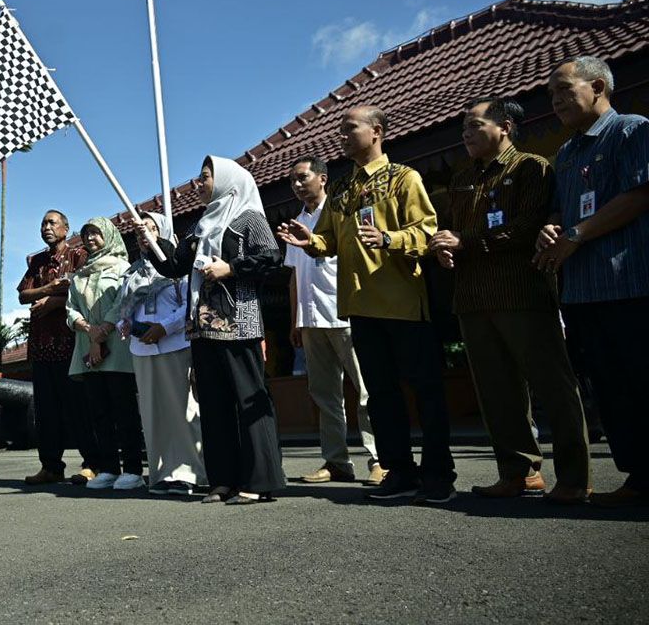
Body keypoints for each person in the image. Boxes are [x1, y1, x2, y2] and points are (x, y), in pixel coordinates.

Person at [278, 106, 456, 504]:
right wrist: (311, 242)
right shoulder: (342, 189)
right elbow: (329, 241)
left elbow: (426, 230)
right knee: (381, 393)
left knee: (425, 390)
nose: (341, 136)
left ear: (376, 132)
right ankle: (399, 471)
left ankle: (439, 474)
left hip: (403, 303)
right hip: (359, 307)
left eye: (349, 129)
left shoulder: (403, 178)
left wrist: (389, 239)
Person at [430, 98, 590, 503]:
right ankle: (518, 472)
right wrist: (445, 247)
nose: (465, 133)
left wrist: (464, 242)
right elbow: (451, 230)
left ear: (504, 126)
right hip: (472, 297)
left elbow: (527, 227)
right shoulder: (463, 177)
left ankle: (573, 478)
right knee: (496, 391)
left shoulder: (532, 167)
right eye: (463, 127)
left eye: (474, 125)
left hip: (522, 292)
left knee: (553, 386)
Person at [533, 57, 649, 508]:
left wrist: (577, 234)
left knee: (641, 380)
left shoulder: (632, 130)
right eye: (552, 94)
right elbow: (561, 212)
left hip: (630, 283)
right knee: (609, 387)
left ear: (598, 85)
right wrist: (552, 227)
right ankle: (638, 476)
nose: (557, 100)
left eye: (564, 89)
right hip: (582, 289)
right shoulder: (565, 153)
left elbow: (639, 195)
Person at [147, 156, 286, 505]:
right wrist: (151, 240)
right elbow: (173, 266)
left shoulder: (248, 216)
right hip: (202, 327)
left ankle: (259, 481)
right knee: (213, 404)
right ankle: (222, 480)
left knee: (248, 399)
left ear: (227, 181)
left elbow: (271, 257)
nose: (199, 183)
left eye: (205, 177)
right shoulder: (200, 225)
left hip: (239, 322)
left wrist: (231, 267)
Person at [284, 156, 383, 486]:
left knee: (367, 391)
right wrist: (295, 320)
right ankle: (336, 460)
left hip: (344, 315)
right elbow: (294, 277)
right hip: (311, 319)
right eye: (293, 181)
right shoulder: (297, 221)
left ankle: (379, 458)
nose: (298, 185)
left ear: (322, 179)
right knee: (325, 395)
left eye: (303, 178)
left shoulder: (341, 213)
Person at [116, 212, 206, 496]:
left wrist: (164, 328)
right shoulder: (132, 272)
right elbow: (123, 309)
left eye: (152, 229)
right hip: (141, 349)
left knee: (182, 410)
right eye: (141, 231)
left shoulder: (178, 268)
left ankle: (188, 472)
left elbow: (189, 305)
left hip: (174, 343)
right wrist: (125, 324)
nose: (146, 235)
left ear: (164, 232)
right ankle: (162, 473)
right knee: (153, 414)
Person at [17, 210, 96, 486]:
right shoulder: (37, 261)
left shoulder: (79, 256)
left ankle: (93, 464)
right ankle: (51, 466)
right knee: (46, 411)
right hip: (41, 346)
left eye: (52, 222)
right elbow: (23, 294)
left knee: (79, 407)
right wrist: (49, 288)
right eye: (43, 223)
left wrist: (54, 301)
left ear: (66, 228)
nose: (46, 227)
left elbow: (86, 290)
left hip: (71, 344)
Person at [66, 217, 145, 491]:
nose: (90, 238)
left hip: (116, 346)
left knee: (123, 409)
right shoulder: (79, 274)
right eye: (86, 234)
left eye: (96, 233)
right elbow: (71, 308)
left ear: (109, 235)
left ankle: (133, 469)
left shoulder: (123, 268)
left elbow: (124, 302)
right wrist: (88, 330)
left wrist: (102, 331)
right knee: (98, 411)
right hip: (87, 346)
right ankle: (109, 468)